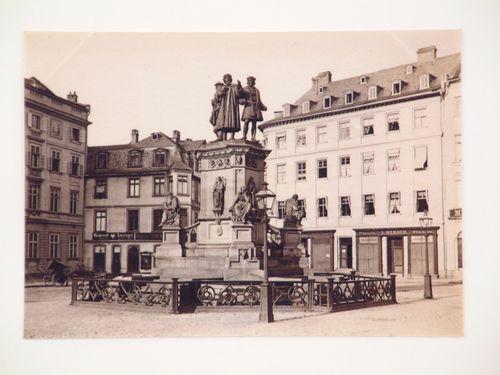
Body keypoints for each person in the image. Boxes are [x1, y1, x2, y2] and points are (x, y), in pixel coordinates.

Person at [213, 74, 244, 141]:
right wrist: (220, 93)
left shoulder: (234, 86)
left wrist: (239, 86)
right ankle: (223, 138)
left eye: (228, 78)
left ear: (230, 79)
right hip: (223, 107)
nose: (227, 80)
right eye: (226, 79)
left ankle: (232, 137)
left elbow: (239, 94)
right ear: (224, 80)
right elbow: (216, 96)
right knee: (223, 122)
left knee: (232, 120)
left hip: (232, 106)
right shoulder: (222, 87)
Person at [240, 76, 267, 141]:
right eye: (249, 81)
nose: (251, 82)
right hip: (248, 107)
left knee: (254, 123)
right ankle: (244, 136)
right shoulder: (244, 89)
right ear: (247, 82)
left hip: (255, 107)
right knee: (246, 121)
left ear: (254, 82)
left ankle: (253, 137)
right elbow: (240, 96)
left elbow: (259, 100)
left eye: (252, 81)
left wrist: (263, 107)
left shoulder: (257, 90)